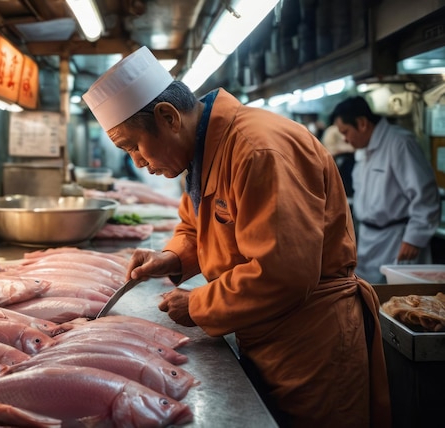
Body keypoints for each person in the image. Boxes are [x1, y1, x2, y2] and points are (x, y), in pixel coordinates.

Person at [83, 46, 391, 428]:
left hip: (311, 347)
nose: (137, 162)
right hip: (265, 333)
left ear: (168, 117)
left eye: (132, 146)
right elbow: (198, 226)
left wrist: (198, 305)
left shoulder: (258, 150)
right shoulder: (202, 152)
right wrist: (173, 257)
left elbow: (284, 273)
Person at [331, 96, 441, 283]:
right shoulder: (362, 150)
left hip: (396, 240)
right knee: (367, 296)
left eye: (346, 132)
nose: (346, 140)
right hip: (367, 239)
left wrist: (414, 238)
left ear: (362, 123)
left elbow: (426, 194)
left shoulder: (399, 143)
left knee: (394, 299)